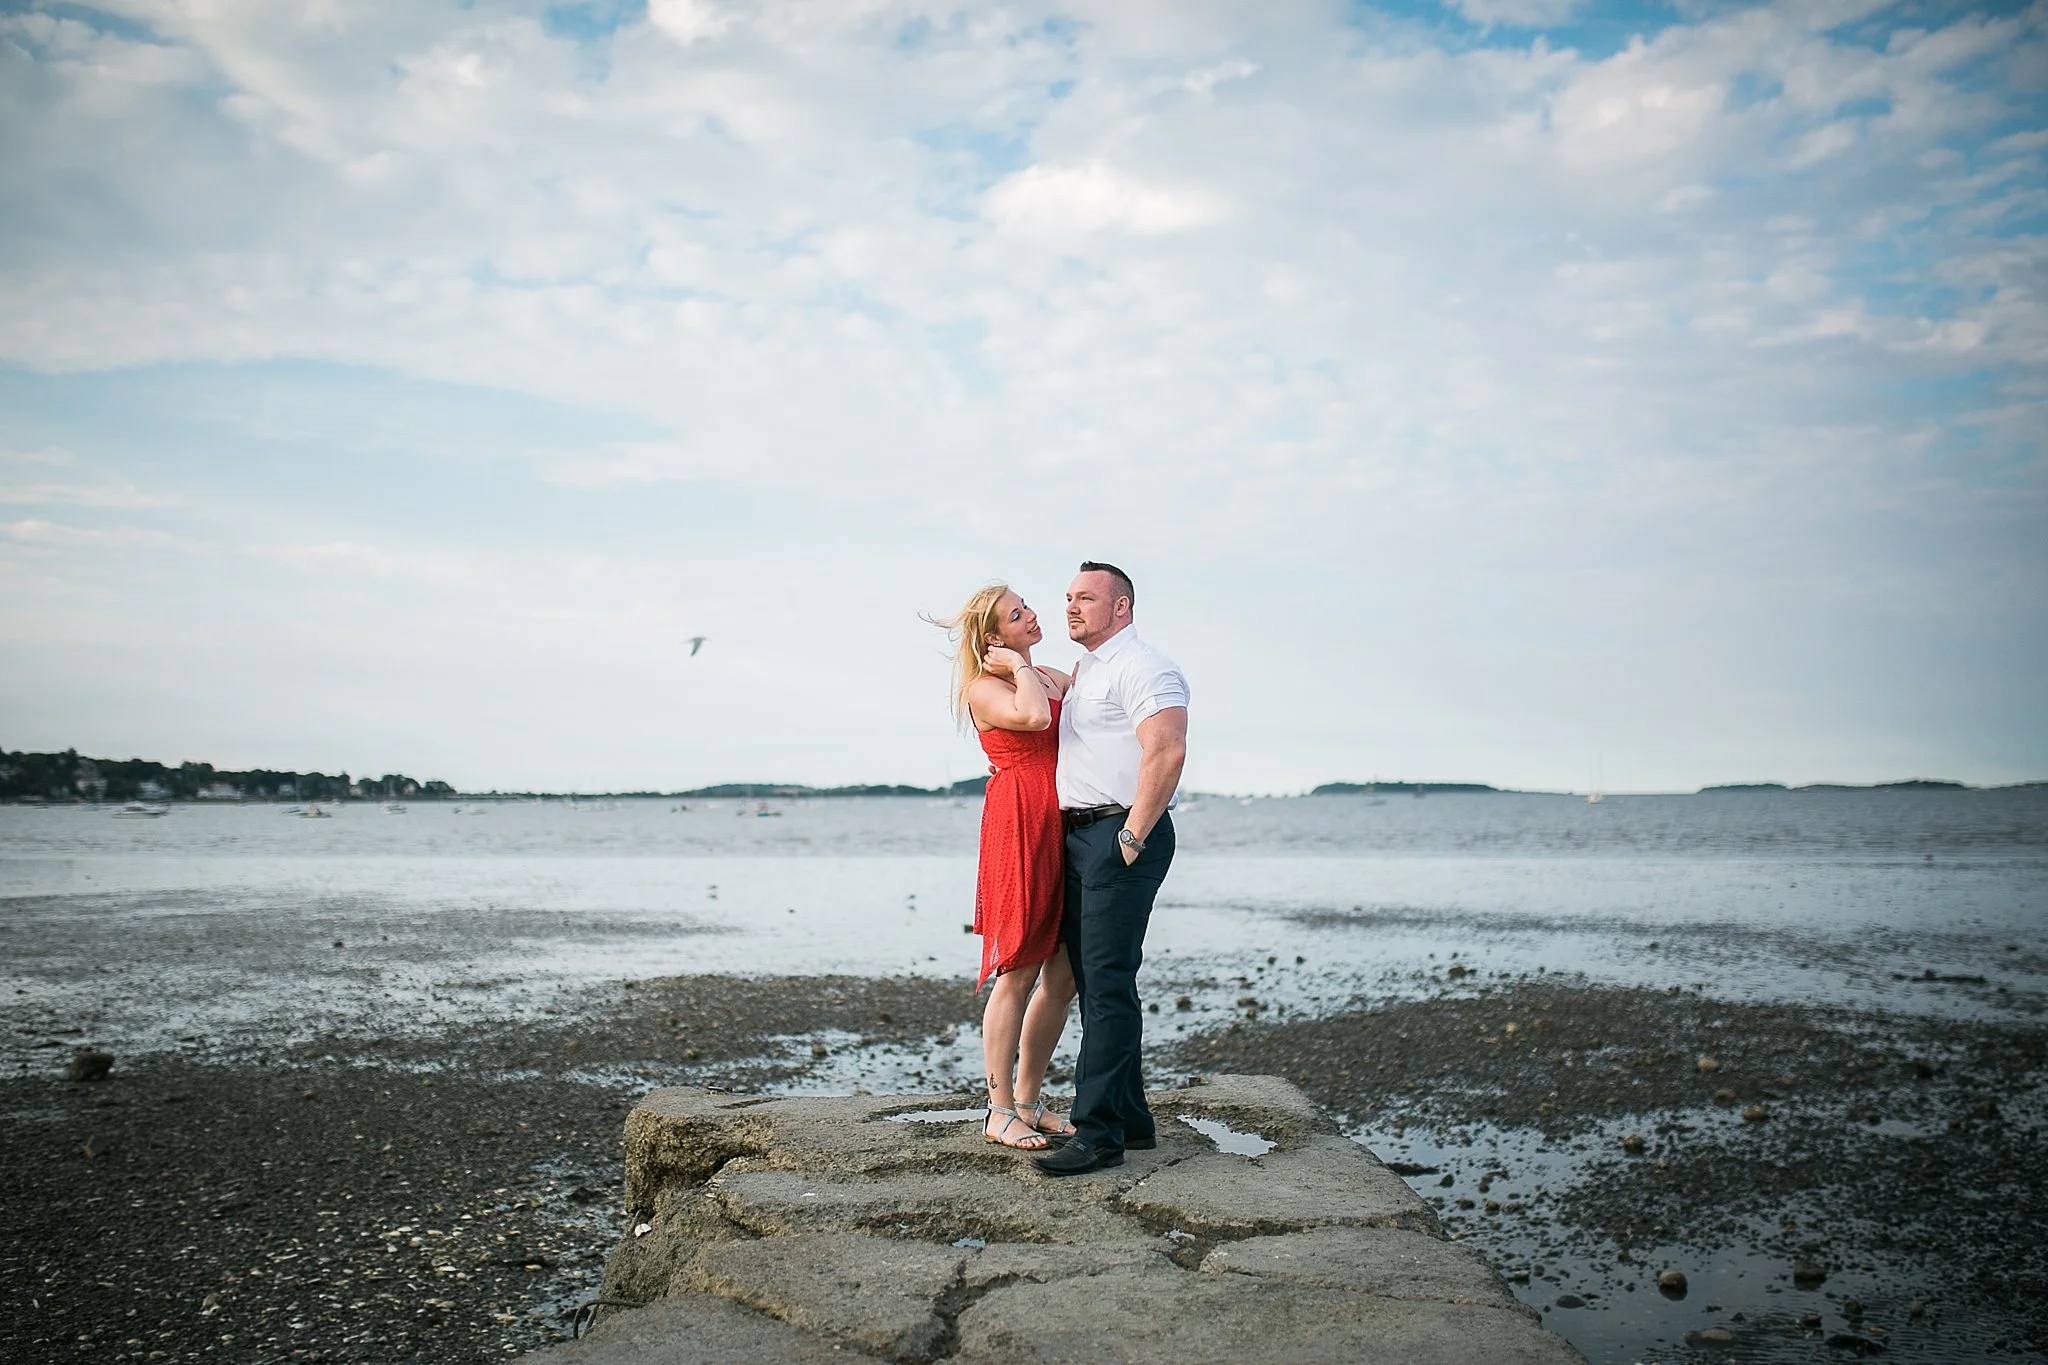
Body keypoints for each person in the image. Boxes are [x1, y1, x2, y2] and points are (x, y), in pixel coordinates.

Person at [1034, 561, 1189, 1177]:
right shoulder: (1088, 670)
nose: (1071, 608)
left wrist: (1130, 836)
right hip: (1080, 836)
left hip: (1119, 834)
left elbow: (1168, 748)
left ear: (1121, 607)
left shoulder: (1146, 667)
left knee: (1107, 987)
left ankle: (1098, 1134)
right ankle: (1131, 1119)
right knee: (1095, 983)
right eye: (1068, 598)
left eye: (1087, 599)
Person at [939, 583, 1081, 1151]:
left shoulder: (1044, 671)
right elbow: (1031, 718)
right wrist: (1019, 667)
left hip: (1067, 819)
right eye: (1017, 615)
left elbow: (1092, 699)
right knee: (1018, 969)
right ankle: (998, 1111)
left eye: (1028, 607)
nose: (1033, 616)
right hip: (1020, 821)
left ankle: (1027, 1100)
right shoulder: (985, 687)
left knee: (1065, 973)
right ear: (993, 638)